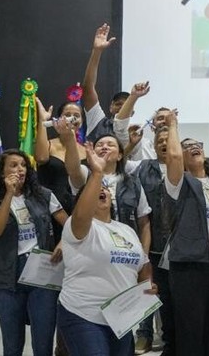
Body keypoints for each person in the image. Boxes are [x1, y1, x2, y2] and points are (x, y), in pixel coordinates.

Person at [57, 142, 155, 356]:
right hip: (83, 314)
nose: (101, 190)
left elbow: (143, 266)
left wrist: (146, 287)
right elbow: (82, 213)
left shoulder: (126, 231)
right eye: (95, 189)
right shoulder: (79, 225)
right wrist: (97, 173)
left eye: (105, 189)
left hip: (120, 319)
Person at [0, 148, 67, 356]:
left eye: (23, 165)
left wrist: (64, 242)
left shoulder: (43, 195)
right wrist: (9, 194)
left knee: (43, 341)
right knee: (12, 344)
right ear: (2, 172)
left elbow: (71, 224)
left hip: (42, 272)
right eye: (13, 165)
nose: (20, 169)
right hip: (8, 274)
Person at [163, 113, 209, 356]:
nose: (194, 147)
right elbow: (172, 156)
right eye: (187, 146)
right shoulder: (178, 182)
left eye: (198, 145)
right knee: (191, 329)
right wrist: (173, 124)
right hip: (189, 261)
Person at [133, 125, 177, 355]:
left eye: (167, 139)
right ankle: (144, 335)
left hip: (179, 245)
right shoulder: (143, 168)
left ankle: (172, 339)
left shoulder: (184, 166)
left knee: (173, 298)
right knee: (147, 291)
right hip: (153, 241)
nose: (163, 143)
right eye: (159, 140)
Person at [34, 97, 87, 220]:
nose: (72, 118)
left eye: (76, 115)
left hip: (78, 209)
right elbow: (41, 158)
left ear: (82, 121)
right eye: (67, 115)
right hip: (48, 209)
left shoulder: (86, 150)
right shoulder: (49, 145)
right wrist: (43, 120)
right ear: (58, 119)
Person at [82, 23, 129, 140]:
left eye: (126, 106)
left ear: (132, 112)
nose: (121, 108)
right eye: (118, 104)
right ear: (111, 107)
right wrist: (97, 51)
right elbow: (88, 89)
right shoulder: (98, 122)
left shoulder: (135, 134)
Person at [113, 80, 176, 161]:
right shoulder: (140, 145)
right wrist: (133, 96)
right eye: (160, 118)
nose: (164, 121)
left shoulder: (183, 148)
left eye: (168, 118)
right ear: (152, 127)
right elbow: (119, 127)